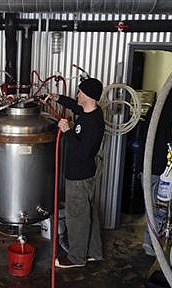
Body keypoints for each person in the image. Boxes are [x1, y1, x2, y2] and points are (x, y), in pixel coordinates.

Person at [44, 78, 105, 268]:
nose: (77, 95)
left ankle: (76, 258)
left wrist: (68, 131)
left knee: (77, 218)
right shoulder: (90, 112)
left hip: (79, 178)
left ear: (87, 96)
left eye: (79, 92)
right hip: (85, 175)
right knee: (90, 216)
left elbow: (82, 153)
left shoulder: (93, 123)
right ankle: (94, 253)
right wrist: (57, 98)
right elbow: (75, 107)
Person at [141, 82, 172, 257]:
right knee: (160, 209)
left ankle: (149, 243)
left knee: (151, 207)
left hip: (148, 165)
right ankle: (153, 246)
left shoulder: (156, 107)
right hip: (164, 169)